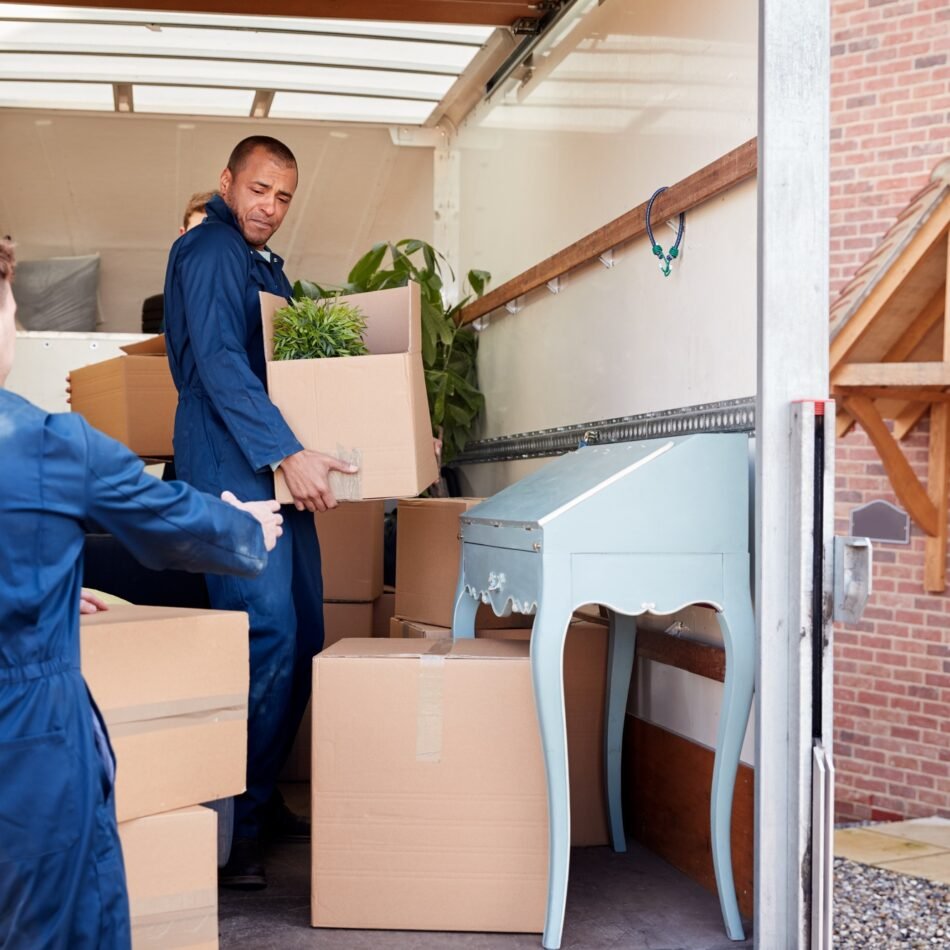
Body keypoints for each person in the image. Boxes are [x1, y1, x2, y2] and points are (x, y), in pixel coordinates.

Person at [0, 237, 285, 947]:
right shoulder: (45, 443)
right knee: (60, 921)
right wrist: (243, 525)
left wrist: (54, 586)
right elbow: (171, 522)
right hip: (28, 736)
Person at [163, 136, 357, 888]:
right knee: (266, 633)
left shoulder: (263, 265)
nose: (270, 207)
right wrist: (286, 452)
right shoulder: (210, 249)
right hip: (228, 460)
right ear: (227, 182)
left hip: (274, 461)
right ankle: (231, 834)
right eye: (260, 189)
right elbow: (216, 362)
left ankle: (261, 794)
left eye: (283, 197)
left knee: (304, 630)